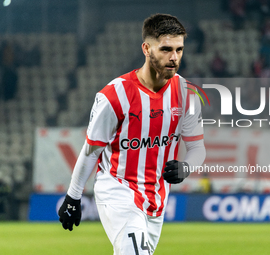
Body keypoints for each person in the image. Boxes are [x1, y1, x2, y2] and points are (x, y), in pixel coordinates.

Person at [58, 13, 206, 255]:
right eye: (166, 49)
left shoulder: (187, 94)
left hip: (157, 198)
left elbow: (198, 148)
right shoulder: (114, 95)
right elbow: (91, 150)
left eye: (179, 49)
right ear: (146, 49)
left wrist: (186, 167)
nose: (174, 57)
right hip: (117, 189)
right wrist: (73, 197)